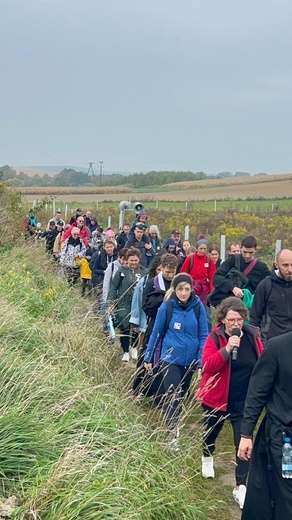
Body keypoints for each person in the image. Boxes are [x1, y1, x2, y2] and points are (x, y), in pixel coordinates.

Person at [197, 297, 264, 510]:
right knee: (211, 433)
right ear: (223, 319)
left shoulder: (253, 336)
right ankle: (207, 456)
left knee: (243, 442)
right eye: (232, 320)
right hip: (216, 398)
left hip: (243, 401)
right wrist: (227, 349)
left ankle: (240, 486)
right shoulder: (215, 337)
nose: (236, 324)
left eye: (240, 319)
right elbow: (208, 365)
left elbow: (262, 362)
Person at [144, 274, 208, 446]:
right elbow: (156, 333)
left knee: (181, 395)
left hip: (191, 361)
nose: (184, 293)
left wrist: (201, 361)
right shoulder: (167, 307)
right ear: (174, 289)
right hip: (170, 358)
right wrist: (148, 356)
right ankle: (172, 433)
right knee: (172, 394)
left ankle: (174, 419)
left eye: (187, 289)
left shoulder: (198, 307)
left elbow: (203, 335)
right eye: (180, 289)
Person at [238, 330, 292, 519]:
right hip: (283, 439)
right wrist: (246, 434)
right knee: (285, 496)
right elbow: (257, 392)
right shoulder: (278, 347)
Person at [107, 248, 148, 362]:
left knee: (135, 325)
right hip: (123, 302)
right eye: (131, 260)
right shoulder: (121, 271)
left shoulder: (144, 272)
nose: (133, 263)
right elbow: (113, 287)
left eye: (135, 260)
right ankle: (125, 351)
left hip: (138, 303)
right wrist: (111, 303)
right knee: (124, 326)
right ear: (127, 260)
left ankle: (133, 347)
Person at [209, 235, 270, 307]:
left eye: (251, 253)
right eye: (244, 252)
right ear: (240, 248)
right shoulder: (233, 260)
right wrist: (232, 288)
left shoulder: (262, 268)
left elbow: (269, 284)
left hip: (249, 308)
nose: (247, 256)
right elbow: (217, 278)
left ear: (255, 250)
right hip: (229, 306)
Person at [249, 249, 292, 342]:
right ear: (276, 265)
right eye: (285, 265)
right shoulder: (266, 285)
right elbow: (255, 318)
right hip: (272, 343)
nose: (290, 269)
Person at [181, 236, 216, 330]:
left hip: (204, 291)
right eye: (201, 248)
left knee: (206, 315)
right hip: (192, 289)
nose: (202, 251)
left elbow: (212, 277)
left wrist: (212, 291)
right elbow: (183, 273)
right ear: (197, 248)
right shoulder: (190, 259)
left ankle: (208, 336)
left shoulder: (209, 261)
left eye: (205, 249)